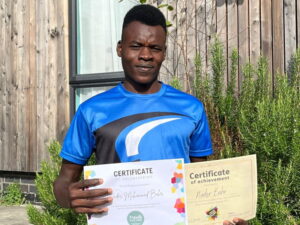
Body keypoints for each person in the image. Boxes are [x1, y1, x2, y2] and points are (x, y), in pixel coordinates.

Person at [53, 4, 247, 225]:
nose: (146, 55)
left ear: (164, 53)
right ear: (120, 49)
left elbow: (202, 187)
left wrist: (224, 215)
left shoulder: (191, 108)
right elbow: (64, 180)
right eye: (136, 46)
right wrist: (68, 197)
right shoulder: (92, 110)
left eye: (155, 48)